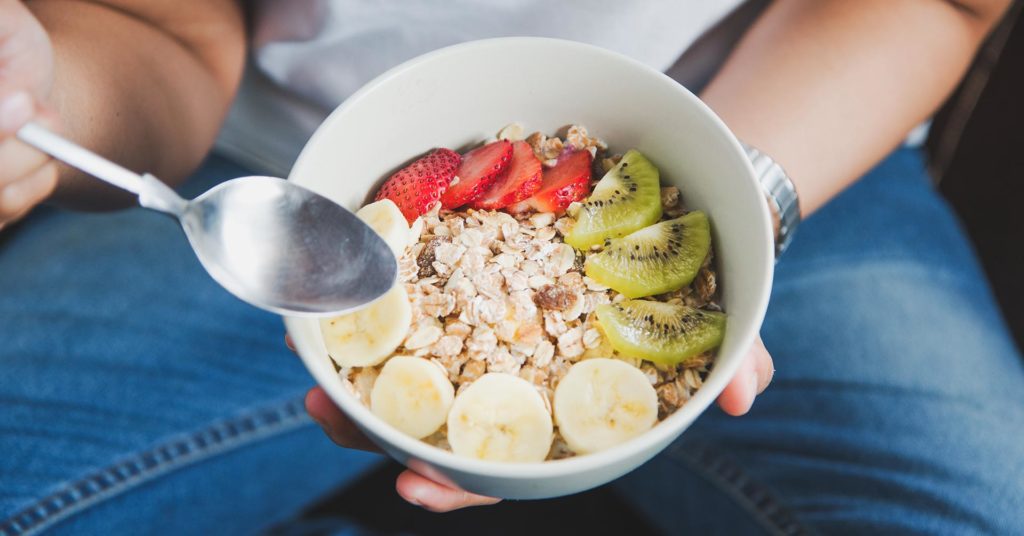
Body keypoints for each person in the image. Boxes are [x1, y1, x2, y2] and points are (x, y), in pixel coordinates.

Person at [1, 0, 1021, 533]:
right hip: (270, 167)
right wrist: (45, 98)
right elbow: (156, 22)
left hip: (793, 147)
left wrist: (738, 198)